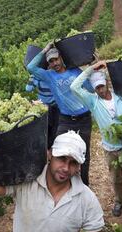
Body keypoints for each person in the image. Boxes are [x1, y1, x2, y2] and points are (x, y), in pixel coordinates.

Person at [0, 129, 107, 232]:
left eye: (73, 163)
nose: (65, 168)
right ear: (50, 155)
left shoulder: (86, 199)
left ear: (79, 167)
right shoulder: (26, 180)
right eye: (62, 158)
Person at [70, 60, 122, 222]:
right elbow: (74, 87)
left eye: (102, 86)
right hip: (110, 149)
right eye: (97, 88)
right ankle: (118, 201)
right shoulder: (93, 102)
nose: (101, 90)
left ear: (107, 83)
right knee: (115, 179)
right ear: (94, 89)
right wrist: (91, 69)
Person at [27, 42, 93, 186]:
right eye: (51, 61)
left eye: (56, 59)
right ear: (49, 64)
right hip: (65, 120)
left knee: (84, 154)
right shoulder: (49, 76)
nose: (55, 63)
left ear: (61, 58)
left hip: (84, 118)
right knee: (58, 151)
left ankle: (84, 185)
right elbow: (31, 67)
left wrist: (90, 69)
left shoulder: (75, 71)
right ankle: (59, 183)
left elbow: (90, 88)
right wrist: (45, 50)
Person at [25, 74, 59, 148]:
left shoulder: (38, 75)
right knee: (52, 132)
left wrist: (32, 77)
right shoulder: (54, 74)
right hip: (49, 107)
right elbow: (28, 89)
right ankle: (48, 152)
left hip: (49, 107)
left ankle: (48, 152)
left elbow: (28, 88)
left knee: (47, 132)